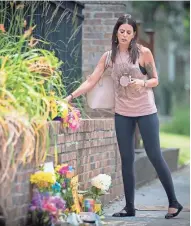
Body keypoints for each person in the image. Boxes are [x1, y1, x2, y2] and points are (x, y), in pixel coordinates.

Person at [65, 14, 183, 219]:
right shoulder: (108, 56)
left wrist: (142, 83)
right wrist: (71, 96)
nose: (125, 35)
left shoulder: (143, 53)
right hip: (122, 113)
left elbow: (155, 79)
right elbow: (92, 80)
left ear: (134, 34)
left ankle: (174, 203)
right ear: (116, 32)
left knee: (154, 154)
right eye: (122, 31)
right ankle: (129, 207)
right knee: (126, 159)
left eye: (129, 32)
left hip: (146, 110)